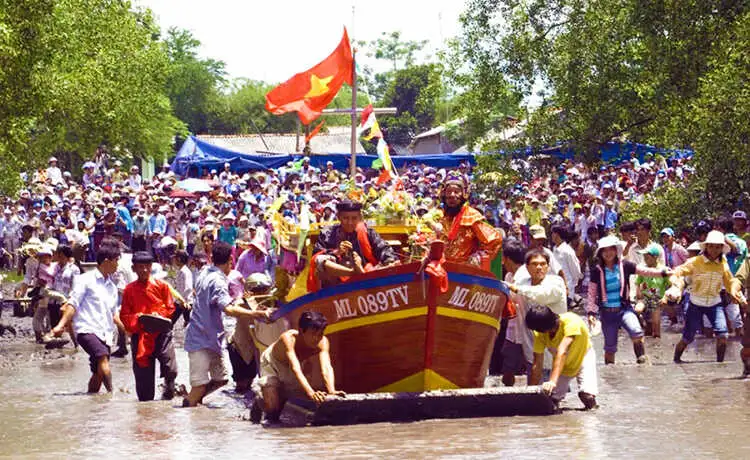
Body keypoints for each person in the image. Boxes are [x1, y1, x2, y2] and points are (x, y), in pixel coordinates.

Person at [182, 241, 271, 407]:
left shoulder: (204, 272)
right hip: (200, 339)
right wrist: (256, 313)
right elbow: (228, 309)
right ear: (231, 259)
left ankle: (194, 402)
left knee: (221, 379)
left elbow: (224, 303)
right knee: (199, 385)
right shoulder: (218, 281)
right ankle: (190, 405)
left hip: (211, 338)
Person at [50, 239, 121, 393]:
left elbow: (114, 313)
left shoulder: (112, 287)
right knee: (103, 360)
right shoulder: (85, 280)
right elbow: (72, 304)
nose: (118, 265)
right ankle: (112, 396)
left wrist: (126, 329)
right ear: (107, 261)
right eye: (116, 261)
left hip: (105, 333)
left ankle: (91, 398)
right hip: (87, 330)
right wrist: (60, 325)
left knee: (98, 373)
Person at [586, 235, 670, 364]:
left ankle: (642, 362)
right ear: (601, 253)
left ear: (616, 250)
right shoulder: (596, 271)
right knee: (610, 348)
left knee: (636, 332)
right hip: (607, 313)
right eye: (605, 250)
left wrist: (662, 273)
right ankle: (611, 376)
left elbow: (645, 271)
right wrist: (591, 313)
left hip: (624, 309)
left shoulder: (625, 265)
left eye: (611, 249)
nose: (608, 253)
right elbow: (591, 293)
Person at [667, 230, 747, 363]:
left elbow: (729, 282)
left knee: (723, 336)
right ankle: (676, 360)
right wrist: (675, 283)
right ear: (706, 247)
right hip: (695, 304)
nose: (714, 250)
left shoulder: (723, 264)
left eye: (717, 247)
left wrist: (739, 297)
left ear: (722, 248)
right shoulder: (695, 261)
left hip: (715, 304)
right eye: (711, 246)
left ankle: (719, 364)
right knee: (688, 338)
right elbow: (678, 271)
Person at [253, 311, 344, 423]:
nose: (316, 338)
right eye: (313, 333)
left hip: (293, 367)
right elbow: (295, 368)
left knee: (282, 401)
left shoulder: (323, 342)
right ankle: (260, 400)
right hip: (272, 364)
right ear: (301, 331)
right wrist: (311, 393)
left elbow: (326, 367)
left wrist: (332, 391)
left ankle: (272, 395)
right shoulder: (288, 338)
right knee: (272, 410)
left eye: (320, 334)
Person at [119, 252, 178, 401]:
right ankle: (145, 412)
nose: (144, 270)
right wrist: (139, 319)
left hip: (161, 332)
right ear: (134, 269)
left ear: (151, 267)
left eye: (147, 266)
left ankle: (168, 391)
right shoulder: (129, 290)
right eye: (140, 267)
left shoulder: (162, 286)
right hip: (141, 335)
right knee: (143, 381)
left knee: (170, 369)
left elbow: (170, 308)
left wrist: (159, 315)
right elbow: (124, 315)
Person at [504, 248, 567, 386]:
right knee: (534, 378)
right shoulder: (522, 283)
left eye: (543, 264)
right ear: (526, 267)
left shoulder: (556, 282)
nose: (539, 267)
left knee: (556, 385)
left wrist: (516, 289)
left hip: (555, 338)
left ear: (548, 266)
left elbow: (542, 294)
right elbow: (509, 299)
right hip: (531, 340)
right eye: (534, 264)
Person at [310, 200, 398, 290]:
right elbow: (316, 257)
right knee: (319, 259)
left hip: (365, 277)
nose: (350, 222)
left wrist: (389, 261)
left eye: (354, 218)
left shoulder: (368, 232)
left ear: (360, 218)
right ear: (338, 217)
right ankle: (353, 272)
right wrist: (336, 252)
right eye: (346, 218)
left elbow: (383, 248)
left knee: (389, 265)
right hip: (335, 281)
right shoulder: (327, 234)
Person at [526, 305, 598, 410]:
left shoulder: (571, 321)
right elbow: (537, 363)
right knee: (550, 399)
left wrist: (552, 382)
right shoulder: (540, 334)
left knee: (586, 396)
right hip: (562, 365)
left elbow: (562, 351)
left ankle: (593, 417)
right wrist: (530, 393)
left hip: (583, 358)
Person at [437, 171, 502, 269]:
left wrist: (476, 259)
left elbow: (494, 240)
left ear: (464, 194)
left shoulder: (471, 215)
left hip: (464, 273)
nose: (452, 195)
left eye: (456, 191)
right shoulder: (438, 216)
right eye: (448, 191)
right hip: (441, 269)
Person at [634, 245, 670, 337]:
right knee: (637, 310)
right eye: (644, 257)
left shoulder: (664, 270)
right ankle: (642, 321)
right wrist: (638, 294)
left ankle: (656, 346)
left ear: (655, 257)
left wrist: (666, 297)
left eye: (647, 257)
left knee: (656, 327)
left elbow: (670, 285)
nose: (645, 259)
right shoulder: (643, 269)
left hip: (656, 299)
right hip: (645, 297)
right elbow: (638, 282)